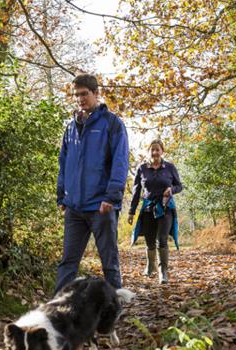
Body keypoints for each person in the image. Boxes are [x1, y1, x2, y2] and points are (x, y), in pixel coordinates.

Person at [55, 73, 129, 295]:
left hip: (101, 206)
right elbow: (64, 163)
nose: (80, 99)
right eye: (76, 95)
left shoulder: (112, 124)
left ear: (96, 94)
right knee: (68, 263)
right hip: (74, 208)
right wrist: (61, 196)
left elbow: (120, 162)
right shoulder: (70, 127)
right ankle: (55, 313)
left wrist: (111, 197)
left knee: (109, 263)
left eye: (84, 94)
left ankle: (115, 314)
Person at [127, 139, 182, 284]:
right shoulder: (142, 168)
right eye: (153, 149)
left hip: (165, 208)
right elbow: (136, 190)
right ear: (149, 151)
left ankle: (163, 272)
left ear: (162, 151)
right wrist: (131, 211)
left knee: (162, 239)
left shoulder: (169, 167)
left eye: (158, 149)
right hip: (147, 209)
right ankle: (150, 266)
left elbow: (179, 186)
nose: (155, 152)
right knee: (149, 241)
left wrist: (172, 189)